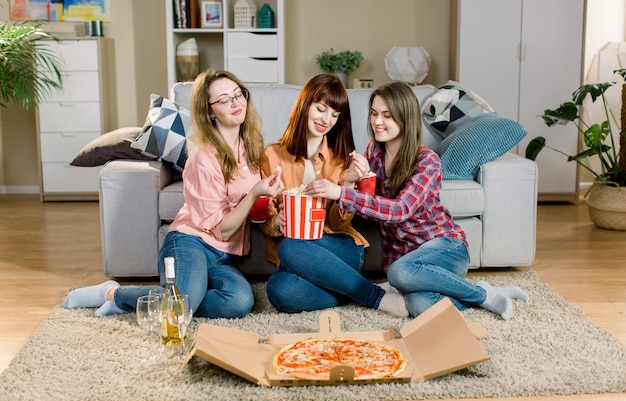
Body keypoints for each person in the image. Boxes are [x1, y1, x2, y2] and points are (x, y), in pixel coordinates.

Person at [63, 69, 283, 318]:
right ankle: (114, 294)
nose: (235, 103)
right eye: (223, 99)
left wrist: (274, 198)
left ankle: (169, 299)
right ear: (209, 111)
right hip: (191, 243)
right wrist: (255, 192)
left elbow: (254, 207)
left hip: (225, 255)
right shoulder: (203, 157)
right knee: (181, 307)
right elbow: (222, 229)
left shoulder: (251, 145)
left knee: (239, 302)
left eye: (237, 94)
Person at [305, 81, 528, 320]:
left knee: (399, 273)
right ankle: (479, 291)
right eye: (374, 114)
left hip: (445, 249)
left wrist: (340, 193)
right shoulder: (373, 153)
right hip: (407, 262)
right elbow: (369, 208)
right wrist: (350, 180)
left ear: (405, 118)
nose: (378, 122)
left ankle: (484, 296)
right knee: (419, 304)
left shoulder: (427, 162)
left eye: (387, 116)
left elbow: (400, 210)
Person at [260, 73, 408, 317]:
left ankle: (375, 298)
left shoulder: (341, 160)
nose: (327, 120)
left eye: (335, 115)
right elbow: (265, 213)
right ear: (305, 105)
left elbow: (340, 223)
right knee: (279, 290)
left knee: (290, 247)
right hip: (299, 255)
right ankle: (357, 290)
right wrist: (276, 221)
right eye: (321, 109)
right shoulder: (272, 155)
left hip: (340, 248)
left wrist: (348, 183)